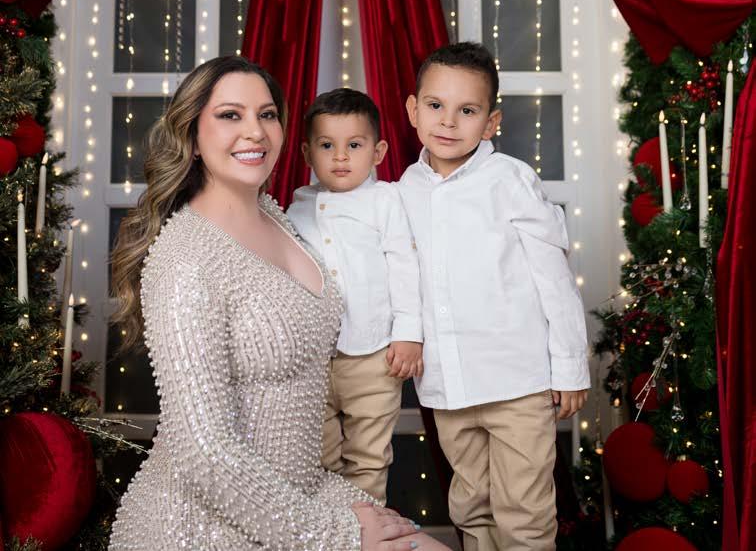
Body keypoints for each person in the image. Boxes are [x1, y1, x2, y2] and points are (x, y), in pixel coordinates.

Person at [108, 55, 445, 551]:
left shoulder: (279, 215)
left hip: (304, 486)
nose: (255, 131)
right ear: (192, 135)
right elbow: (204, 453)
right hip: (207, 521)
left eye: (267, 115)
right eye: (230, 115)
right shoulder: (185, 258)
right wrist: (336, 535)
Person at [398, 42, 590, 551]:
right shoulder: (404, 189)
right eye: (435, 105)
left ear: (491, 122)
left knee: (523, 512)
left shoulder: (510, 181)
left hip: (516, 384)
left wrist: (570, 367)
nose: (448, 121)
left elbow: (554, 278)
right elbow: (400, 276)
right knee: (471, 505)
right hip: (448, 386)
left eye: (467, 110)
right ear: (413, 110)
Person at [287, 89, 423, 504]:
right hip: (313, 359)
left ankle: (366, 529)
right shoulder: (295, 209)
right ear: (307, 153)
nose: (341, 156)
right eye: (327, 145)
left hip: (374, 355)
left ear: (378, 152)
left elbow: (405, 266)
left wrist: (409, 333)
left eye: (355, 145)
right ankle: (329, 529)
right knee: (317, 456)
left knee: (368, 457)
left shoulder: (385, 201)